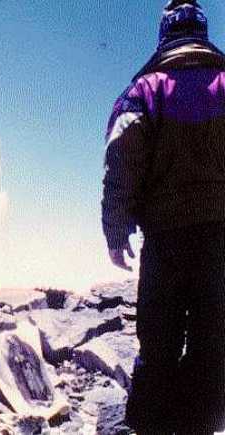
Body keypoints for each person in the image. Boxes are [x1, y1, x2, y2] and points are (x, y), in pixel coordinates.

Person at [101, 2, 225, 433]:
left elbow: (122, 162)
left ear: (164, 35)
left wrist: (116, 232)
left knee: (157, 343)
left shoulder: (144, 91)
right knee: (214, 343)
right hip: (220, 242)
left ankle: (150, 427)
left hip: (165, 240)